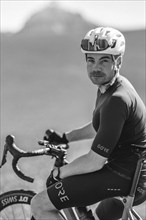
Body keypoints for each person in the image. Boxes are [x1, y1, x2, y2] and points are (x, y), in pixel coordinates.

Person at [30, 27, 146, 220]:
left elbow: (94, 161)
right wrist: (67, 137)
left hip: (125, 177)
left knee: (39, 204)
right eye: (91, 60)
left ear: (118, 61)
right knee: (98, 217)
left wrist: (59, 172)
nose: (95, 68)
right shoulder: (110, 87)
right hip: (132, 175)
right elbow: (102, 126)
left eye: (104, 61)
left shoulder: (117, 99)